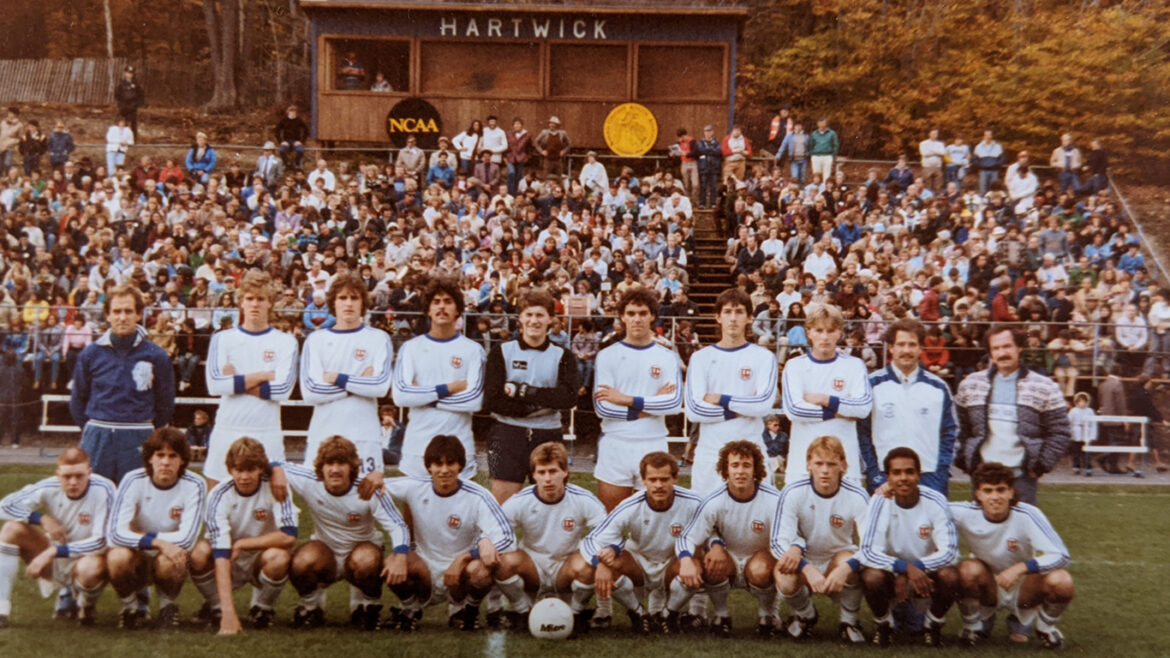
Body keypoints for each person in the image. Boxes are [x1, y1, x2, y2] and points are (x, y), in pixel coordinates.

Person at [277, 436, 422, 630]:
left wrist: (400, 556)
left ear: (352, 466)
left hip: (361, 554)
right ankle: (311, 608)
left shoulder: (366, 488)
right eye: (329, 463)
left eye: (341, 463)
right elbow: (274, 463)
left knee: (367, 559)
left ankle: (369, 608)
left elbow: (398, 525)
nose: (335, 469)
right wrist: (277, 471)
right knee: (302, 561)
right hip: (326, 554)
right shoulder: (309, 480)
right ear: (321, 466)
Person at [383, 435, 515, 631]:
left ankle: (467, 611)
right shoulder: (415, 487)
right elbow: (375, 488)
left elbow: (507, 536)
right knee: (392, 562)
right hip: (424, 571)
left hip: (461, 575)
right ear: (429, 467)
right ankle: (410, 609)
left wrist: (468, 555)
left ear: (460, 466)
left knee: (481, 570)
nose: (444, 470)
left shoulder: (478, 495)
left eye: (451, 463)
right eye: (438, 464)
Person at [951, 462, 1074, 649]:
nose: (995, 497)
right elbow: (928, 505)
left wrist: (1020, 568)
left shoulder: (1027, 513)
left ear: (1011, 491)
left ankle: (1045, 627)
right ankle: (972, 626)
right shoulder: (965, 512)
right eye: (988, 490)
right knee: (967, 569)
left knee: (1062, 581)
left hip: (1024, 587)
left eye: (1001, 490)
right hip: (989, 585)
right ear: (978, 494)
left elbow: (1061, 555)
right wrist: (889, 490)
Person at [581, 451, 704, 633]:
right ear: (644, 481)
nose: (658, 485)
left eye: (664, 479)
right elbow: (592, 539)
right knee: (608, 563)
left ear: (676, 478)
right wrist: (599, 563)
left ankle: (669, 615)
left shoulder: (694, 502)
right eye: (652, 480)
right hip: (640, 563)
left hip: (673, 562)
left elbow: (715, 530)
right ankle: (638, 613)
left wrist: (705, 554)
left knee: (700, 561)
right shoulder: (630, 505)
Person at [493, 443, 607, 632]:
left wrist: (599, 558)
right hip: (533, 568)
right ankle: (523, 612)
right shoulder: (520, 501)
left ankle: (575, 614)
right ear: (534, 475)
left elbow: (606, 533)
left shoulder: (583, 499)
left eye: (553, 471)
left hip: (565, 568)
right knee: (502, 561)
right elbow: (495, 531)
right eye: (542, 472)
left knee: (589, 564)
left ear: (565, 471)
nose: (548, 479)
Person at [188, 438, 297, 634]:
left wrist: (243, 544)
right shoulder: (219, 494)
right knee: (199, 553)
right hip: (229, 558)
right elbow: (220, 553)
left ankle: (262, 608)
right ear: (230, 469)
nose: (245, 476)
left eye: (251, 469)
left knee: (280, 556)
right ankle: (218, 608)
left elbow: (289, 536)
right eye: (239, 470)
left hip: (260, 557)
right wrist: (229, 613)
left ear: (261, 468)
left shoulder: (276, 486)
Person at [954, 325, 1071, 504]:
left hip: (1022, 479)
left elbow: (1060, 431)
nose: (1002, 353)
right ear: (990, 352)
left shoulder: (1045, 386)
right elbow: (959, 427)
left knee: (1020, 532)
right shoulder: (970, 384)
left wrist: (1040, 465)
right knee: (982, 531)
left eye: (1007, 346)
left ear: (1019, 347)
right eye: (996, 348)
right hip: (983, 478)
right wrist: (965, 460)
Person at [674, 441, 781, 638]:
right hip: (728, 559)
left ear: (756, 469)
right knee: (711, 561)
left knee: (762, 567)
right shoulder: (714, 501)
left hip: (759, 559)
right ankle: (722, 616)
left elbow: (789, 537)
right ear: (725, 469)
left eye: (746, 465)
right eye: (735, 465)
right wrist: (687, 560)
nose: (740, 471)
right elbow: (688, 536)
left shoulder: (775, 500)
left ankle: (768, 616)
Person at [70, 285, 175, 484]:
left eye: (128, 311)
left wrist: (143, 427)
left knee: (136, 504)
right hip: (98, 435)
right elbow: (78, 400)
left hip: (139, 435)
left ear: (139, 314)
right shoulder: (90, 354)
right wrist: (96, 427)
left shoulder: (157, 355)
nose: (122, 317)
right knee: (97, 502)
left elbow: (165, 404)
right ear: (108, 315)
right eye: (117, 311)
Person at [0, 448, 116, 627]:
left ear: (89, 473)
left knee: (90, 567)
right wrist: (41, 518)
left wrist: (53, 551)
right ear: (58, 474)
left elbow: (102, 541)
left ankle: (85, 605)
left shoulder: (104, 489)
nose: (73, 482)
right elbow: (4, 506)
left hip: (88, 561)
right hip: (55, 561)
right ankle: (2, 609)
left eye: (79, 476)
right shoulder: (49, 486)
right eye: (67, 477)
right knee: (11, 529)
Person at [204, 271, 299, 487]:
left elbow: (283, 390)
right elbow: (215, 385)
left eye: (261, 299)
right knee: (216, 504)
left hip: (267, 431)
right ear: (241, 302)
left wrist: (236, 381)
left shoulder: (285, 342)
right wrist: (263, 375)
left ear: (270, 303)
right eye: (249, 298)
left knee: (270, 507)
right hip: (227, 428)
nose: (254, 304)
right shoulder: (222, 338)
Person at [770, 436, 869, 642]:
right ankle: (806, 615)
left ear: (843, 465)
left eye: (831, 464)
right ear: (808, 464)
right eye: (819, 463)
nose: (825, 470)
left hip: (837, 560)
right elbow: (778, 541)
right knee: (784, 571)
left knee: (849, 562)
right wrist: (806, 567)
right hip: (806, 560)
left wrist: (845, 567)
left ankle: (849, 621)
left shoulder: (857, 495)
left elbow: (870, 546)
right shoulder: (793, 492)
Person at [592, 287, 683, 511]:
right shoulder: (607, 355)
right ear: (622, 316)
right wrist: (649, 406)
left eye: (643, 313)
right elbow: (602, 407)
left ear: (652, 316)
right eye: (631, 313)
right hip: (616, 443)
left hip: (653, 443)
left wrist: (625, 399)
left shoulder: (667, 356)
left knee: (653, 522)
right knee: (609, 520)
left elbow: (673, 404)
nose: (637, 319)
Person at [483, 290, 579, 502]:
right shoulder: (502, 351)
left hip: (548, 435)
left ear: (551, 319)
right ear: (520, 318)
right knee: (503, 508)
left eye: (540, 315)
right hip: (506, 434)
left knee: (549, 506)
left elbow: (568, 397)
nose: (534, 321)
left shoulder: (563, 356)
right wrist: (532, 408)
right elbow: (492, 399)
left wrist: (526, 392)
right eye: (529, 315)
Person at [858, 447, 960, 647]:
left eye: (909, 472)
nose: (903, 478)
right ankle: (884, 625)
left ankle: (932, 625)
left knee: (950, 575)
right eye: (896, 473)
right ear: (888, 477)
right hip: (891, 576)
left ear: (918, 475)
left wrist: (915, 568)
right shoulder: (879, 501)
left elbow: (951, 552)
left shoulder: (935, 500)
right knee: (871, 576)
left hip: (925, 577)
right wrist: (903, 569)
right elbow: (868, 551)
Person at [106, 428, 207, 629]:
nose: (166, 462)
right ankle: (130, 608)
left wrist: (148, 540)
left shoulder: (195, 484)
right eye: (160, 455)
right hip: (137, 554)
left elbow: (187, 539)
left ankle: (167, 608)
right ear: (150, 458)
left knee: (171, 560)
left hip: (169, 554)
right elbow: (114, 534)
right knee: (116, 557)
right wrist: (157, 542)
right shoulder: (133, 479)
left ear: (183, 460)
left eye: (173, 456)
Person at [300, 274, 392, 489]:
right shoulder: (316, 340)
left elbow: (380, 387)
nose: (348, 303)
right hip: (324, 434)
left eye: (354, 297)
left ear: (363, 303)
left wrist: (336, 378)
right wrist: (359, 383)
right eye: (342, 298)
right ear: (333, 302)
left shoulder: (378, 338)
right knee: (320, 508)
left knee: (368, 504)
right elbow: (310, 392)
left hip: (365, 436)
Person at [684, 289, 778, 495]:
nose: (733, 318)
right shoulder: (701, 358)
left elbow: (763, 405)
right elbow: (693, 410)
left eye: (739, 312)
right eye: (727, 312)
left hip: (751, 454)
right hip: (710, 454)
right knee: (706, 522)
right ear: (717, 317)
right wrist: (742, 409)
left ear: (749, 317)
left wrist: (720, 398)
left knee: (756, 523)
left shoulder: (763, 357)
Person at [392, 278, 485, 479]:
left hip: (460, 448)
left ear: (458, 310)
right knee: (413, 511)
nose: (442, 306)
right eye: (436, 302)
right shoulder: (410, 348)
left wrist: (422, 397)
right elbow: (400, 396)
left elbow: (474, 401)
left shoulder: (473, 350)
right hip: (417, 446)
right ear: (427, 309)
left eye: (448, 301)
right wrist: (451, 387)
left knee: (459, 511)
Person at [858, 318, 958, 494]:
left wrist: (940, 473)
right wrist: (875, 475)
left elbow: (950, 434)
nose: (906, 350)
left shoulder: (938, 388)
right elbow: (862, 434)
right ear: (891, 347)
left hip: (929, 478)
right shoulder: (871, 385)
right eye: (901, 344)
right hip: (885, 479)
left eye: (912, 345)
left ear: (921, 348)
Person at [781, 304, 873, 484]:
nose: (824, 337)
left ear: (840, 333)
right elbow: (794, 410)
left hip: (844, 466)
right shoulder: (795, 366)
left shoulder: (854, 365)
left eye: (831, 331)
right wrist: (841, 412)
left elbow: (862, 408)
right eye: (819, 330)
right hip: (802, 466)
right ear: (808, 332)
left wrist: (825, 399)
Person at [694, 125, 722, 209]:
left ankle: (713, 203)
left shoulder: (717, 142)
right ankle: (702, 203)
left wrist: (708, 151)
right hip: (704, 167)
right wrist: (711, 150)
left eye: (709, 131)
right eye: (706, 131)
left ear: (713, 132)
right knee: (703, 186)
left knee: (713, 186)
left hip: (713, 167)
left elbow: (718, 151)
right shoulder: (700, 142)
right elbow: (701, 150)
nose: (708, 133)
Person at [113, 66, 145, 137]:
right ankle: (120, 137)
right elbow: (117, 94)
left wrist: (137, 104)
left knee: (133, 123)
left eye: (131, 73)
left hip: (132, 106)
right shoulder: (121, 84)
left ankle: (133, 139)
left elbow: (140, 94)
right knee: (122, 122)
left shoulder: (136, 84)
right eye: (127, 73)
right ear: (125, 73)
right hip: (124, 105)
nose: (129, 75)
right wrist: (120, 103)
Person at [275, 105, 309, 170]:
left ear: (296, 112)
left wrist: (301, 141)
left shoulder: (299, 120)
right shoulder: (284, 120)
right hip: (286, 141)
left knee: (300, 150)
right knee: (281, 150)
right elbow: (277, 131)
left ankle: (297, 164)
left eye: (294, 111)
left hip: (296, 141)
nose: (292, 113)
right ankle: (286, 164)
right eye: (291, 111)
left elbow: (306, 131)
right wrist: (281, 141)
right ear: (288, 112)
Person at [505, 117, 531, 195]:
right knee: (511, 173)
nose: (517, 126)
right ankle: (509, 192)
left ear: (522, 125)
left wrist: (527, 157)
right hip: (510, 157)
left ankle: (515, 193)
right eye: (515, 124)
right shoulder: (508, 133)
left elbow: (530, 147)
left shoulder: (527, 135)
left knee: (518, 176)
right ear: (513, 125)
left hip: (521, 158)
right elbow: (505, 145)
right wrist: (504, 157)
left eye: (519, 124)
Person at [973, 129, 1004, 195]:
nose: (988, 137)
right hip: (983, 171)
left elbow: (1002, 159)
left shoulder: (998, 146)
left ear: (992, 136)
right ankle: (984, 203)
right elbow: (975, 160)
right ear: (983, 136)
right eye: (986, 135)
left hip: (994, 171)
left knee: (995, 189)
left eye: (989, 135)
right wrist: (981, 165)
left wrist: (996, 165)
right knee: (983, 189)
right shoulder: (978, 147)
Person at [808, 118, 839, 184]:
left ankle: (825, 190)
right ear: (817, 124)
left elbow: (835, 145)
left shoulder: (832, 133)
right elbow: (811, 145)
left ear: (826, 123)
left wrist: (833, 156)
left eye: (823, 123)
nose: (821, 124)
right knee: (816, 175)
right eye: (820, 123)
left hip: (827, 156)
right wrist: (812, 154)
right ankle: (816, 190)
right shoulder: (814, 134)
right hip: (816, 156)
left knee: (827, 175)